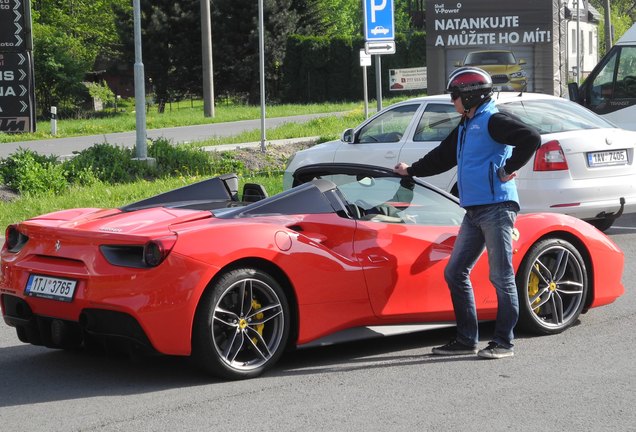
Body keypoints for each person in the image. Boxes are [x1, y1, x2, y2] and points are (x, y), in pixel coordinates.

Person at [393, 67, 541, 359]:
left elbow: (531, 138)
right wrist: (411, 170)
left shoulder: (493, 120)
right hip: (473, 210)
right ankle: (466, 339)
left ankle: (504, 342)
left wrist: (509, 168)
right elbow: (443, 157)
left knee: (501, 277)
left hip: (498, 208)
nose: (452, 101)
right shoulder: (466, 124)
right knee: (455, 272)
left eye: (455, 95)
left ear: (471, 96)